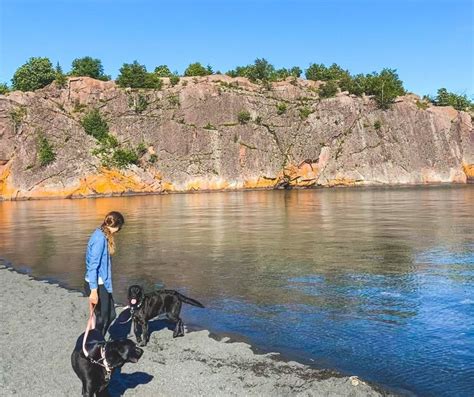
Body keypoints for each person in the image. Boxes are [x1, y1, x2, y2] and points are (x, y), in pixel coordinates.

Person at [84, 211, 124, 337]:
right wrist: (94, 291)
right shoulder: (100, 238)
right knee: (103, 318)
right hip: (97, 284)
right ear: (116, 226)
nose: (119, 230)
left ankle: (98, 339)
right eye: (120, 227)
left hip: (103, 284)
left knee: (111, 315)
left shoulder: (102, 234)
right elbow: (93, 266)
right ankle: (97, 343)